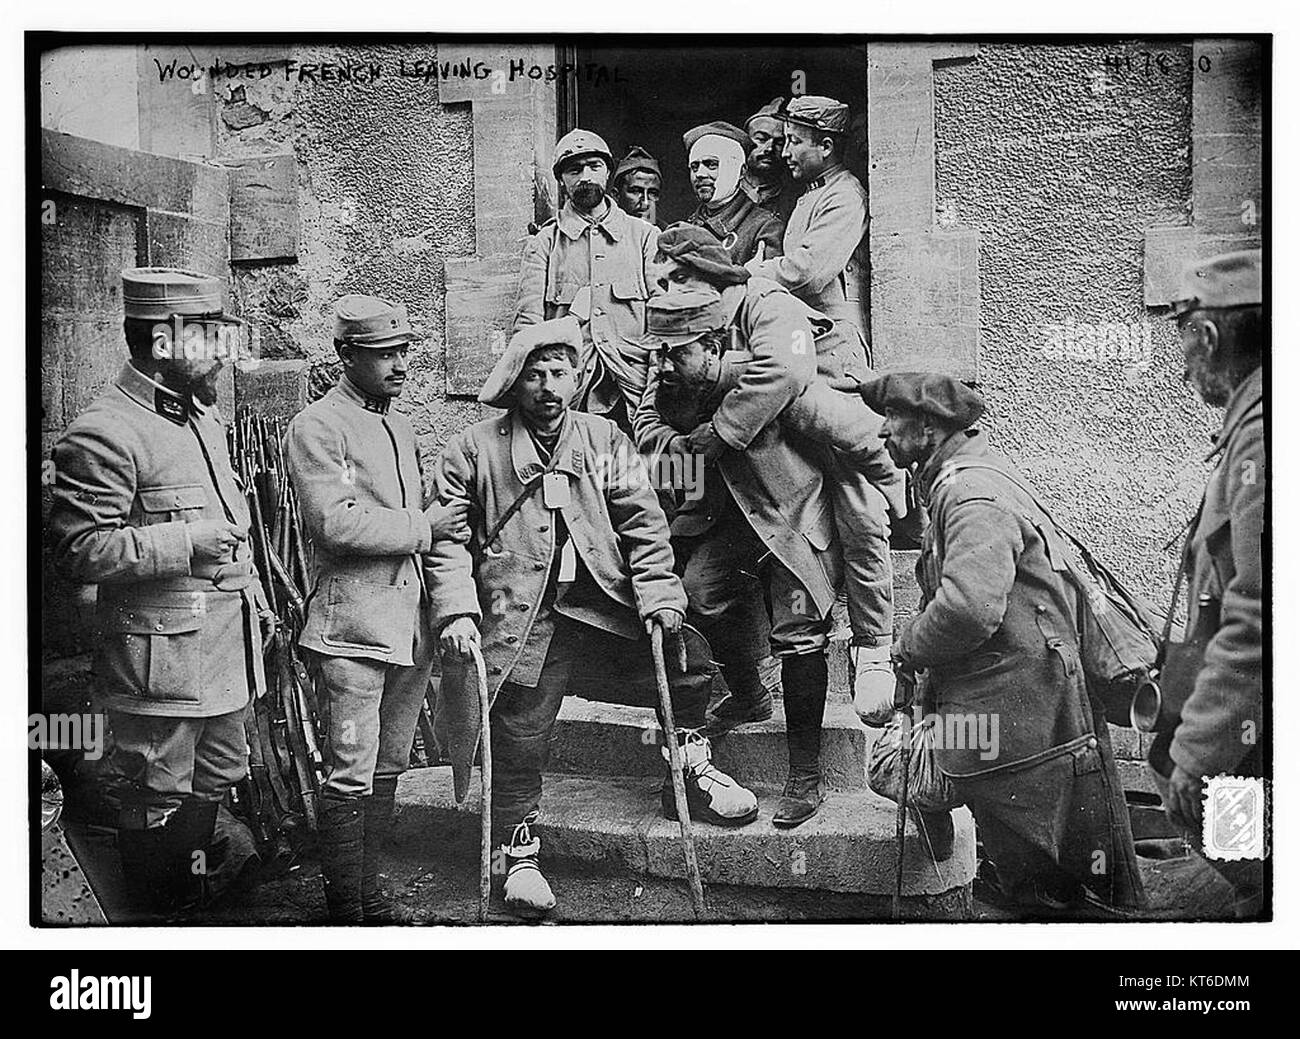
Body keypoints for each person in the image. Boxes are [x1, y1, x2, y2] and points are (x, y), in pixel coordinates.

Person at [430, 317, 758, 918]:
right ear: (514, 383)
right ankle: (517, 847)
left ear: (578, 378)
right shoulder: (474, 449)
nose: (549, 388)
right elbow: (447, 542)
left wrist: (660, 595)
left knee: (687, 663)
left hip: (602, 610)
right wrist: (456, 610)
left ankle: (686, 773)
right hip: (523, 620)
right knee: (520, 723)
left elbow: (642, 522)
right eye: (535, 375)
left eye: (560, 374)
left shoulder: (604, 440)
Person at [854, 372, 1145, 914]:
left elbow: (968, 608)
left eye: (891, 419)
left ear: (927, 427)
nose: (880, 433)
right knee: (1047, 855)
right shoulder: (957, 478)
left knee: (1052, 878)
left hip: (1022, 703)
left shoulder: (971, 495)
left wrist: (906, 650)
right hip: (1016, 693)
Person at [48, 267, 272, 914]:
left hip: (226, 661)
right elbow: (77, 551)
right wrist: (183, 544)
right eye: (207, 337)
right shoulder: (106, 431)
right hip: (160, 671)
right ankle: (155, 925)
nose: (222, 354)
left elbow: (229, 523)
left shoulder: (199, 416)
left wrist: (254, 599)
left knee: (216, 780)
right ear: (164, 339)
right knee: (155, 801)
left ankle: (187, 909)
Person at [636, 225, 904, 748]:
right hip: (733, 488)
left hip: (821, 405)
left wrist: (719, 428)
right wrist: (683, 446)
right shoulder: (672, 328)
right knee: (702, 592)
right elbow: (649, 416)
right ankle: (749, 692)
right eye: (662, 281)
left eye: (678, 278)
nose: (666, 291)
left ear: (710, 276)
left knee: (863, 515)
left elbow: (788, 369)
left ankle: (873, 648)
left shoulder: (764, 301)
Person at [286, 294, 470, 923]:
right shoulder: (318, 427)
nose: (398, 365)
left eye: (402, 352)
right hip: (351, 633)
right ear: (345, 355)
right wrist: (424, 526)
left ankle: (367, 892)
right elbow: (335, 523)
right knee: (348, 773)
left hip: (408, 631)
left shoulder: (400, 425)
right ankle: (344, 909)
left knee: (388, 764)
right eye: (382, 354)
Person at [1157, 249, 1265, 918]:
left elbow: (1261, 615)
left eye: (1186, 340)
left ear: (1214, 335)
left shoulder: (1261, 439)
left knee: (1255, 874)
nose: (1183, 363)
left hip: (1257, 736)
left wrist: (1196, 755)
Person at [514, 128, 658, 434]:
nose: (585, 176)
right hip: (571, 396)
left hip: (636, 393)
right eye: (574, 170)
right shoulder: (543, 244)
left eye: (594, 166)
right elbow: (528, 330)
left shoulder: (645, 237)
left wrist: (656, 392)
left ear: (607, 173)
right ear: (561, 180)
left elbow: (663, 321)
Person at [746, 95, 869, 343]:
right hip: (814, 331)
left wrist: (748, 273)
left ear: (825, 147)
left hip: (836, 338)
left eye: (794, 141)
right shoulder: (815, 192)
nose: (785, 153)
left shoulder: (844, 195)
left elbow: (807, 272)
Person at [683, 121, 785, 265]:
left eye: (711, 164)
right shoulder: (686, 226)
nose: (700, 174)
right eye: (694, 167)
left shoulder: (765, 228)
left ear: (741, 171)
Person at [741, 96, 796, 225]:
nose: (769, 148)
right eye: (761, 139)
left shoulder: (793, 198)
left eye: (779, 142)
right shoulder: (723, 190)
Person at [611, 145, 664, 228]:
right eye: (636, 191)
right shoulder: (601, 234)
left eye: (652, 193)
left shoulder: (669, 237)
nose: (645, 203)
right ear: (616, 195)